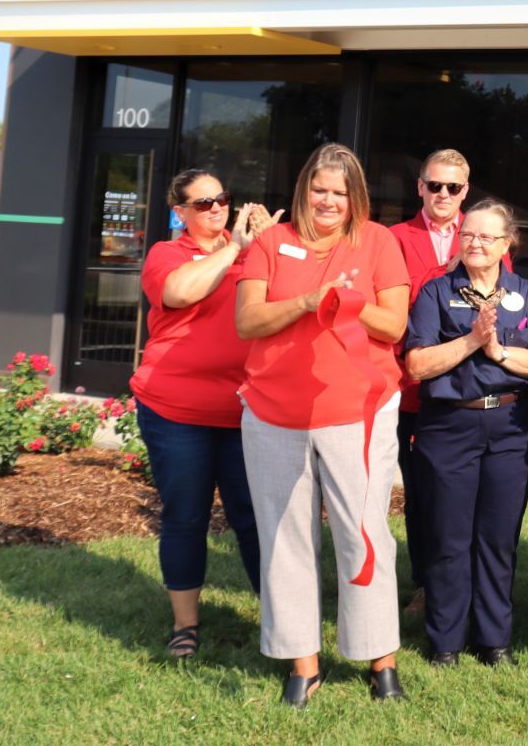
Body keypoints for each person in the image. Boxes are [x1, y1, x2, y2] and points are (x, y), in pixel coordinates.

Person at [234, 143, 412, 707]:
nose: (329, 200)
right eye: (319, 189)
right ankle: (302, 664)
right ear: (303, 190)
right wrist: (309, 301)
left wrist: (348, 305)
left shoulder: (378, 242)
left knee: (363, 535)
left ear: (355, 196)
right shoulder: (269, 242)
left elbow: (395, 324)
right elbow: (246, 319)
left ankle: (380, 659)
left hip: (356, 414)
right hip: (272, 413)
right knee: (285, 539)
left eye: (340, 192)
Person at [403, 199, 528, 668]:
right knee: (448, 536)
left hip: (508, 425)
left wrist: (499, 350)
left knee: (498, 536)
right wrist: (471, 341)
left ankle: (494, 641)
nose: (476, 243)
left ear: (508, 244)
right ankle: (445, 641)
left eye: (488, 236)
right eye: (468, 234)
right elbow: (417, 363)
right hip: (449, 425)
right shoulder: (434, 292)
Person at [131, 169, 273, 658]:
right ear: (182, 211)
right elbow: (178, 293)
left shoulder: (257, 252)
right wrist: (233, 248)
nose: (216, 208)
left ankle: (280, 623)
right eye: (204, 202)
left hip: (244, 409)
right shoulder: (166, 254)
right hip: (177, 410)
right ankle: (185, 627)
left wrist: (271, 244)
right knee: (186, 517)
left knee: (255, 518)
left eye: (223, 199)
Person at [388, 147, 474, 615]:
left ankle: (465, 583)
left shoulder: (480, 236)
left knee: (457, 497)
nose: (443, 194)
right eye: (434, 185)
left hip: (464, 389)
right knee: (420, 493)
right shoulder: (393, 237)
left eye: (453, 187)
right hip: (411, 391)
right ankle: (426, 584)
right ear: (420, 187)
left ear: (466, 190)